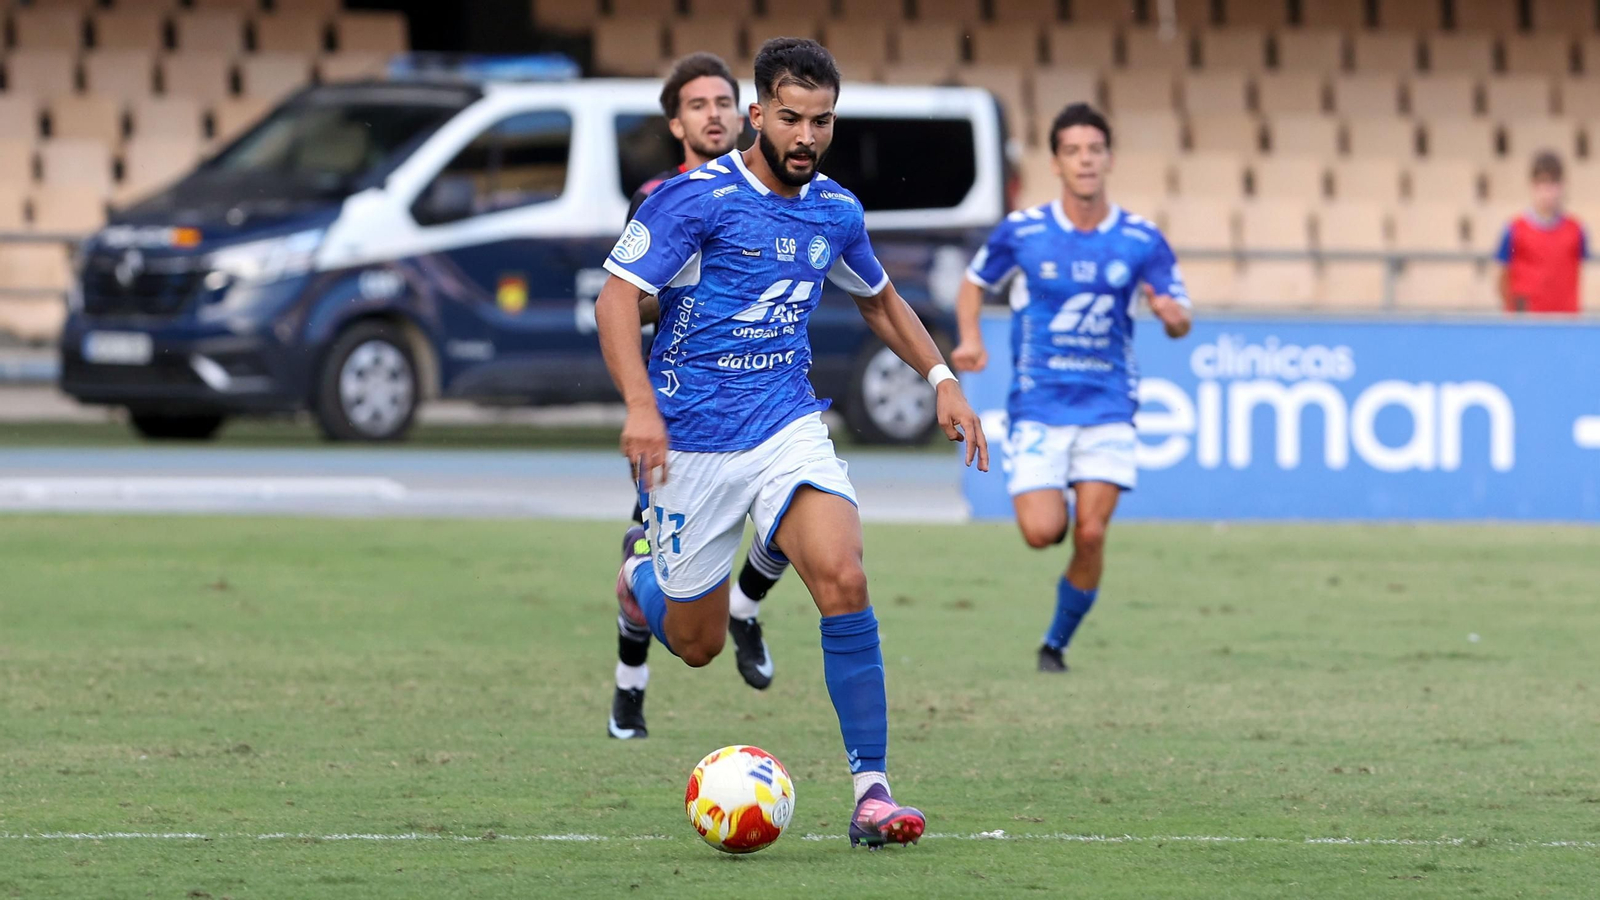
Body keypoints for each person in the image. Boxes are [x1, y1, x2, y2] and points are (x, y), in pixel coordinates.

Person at [597, 37, 988, 848]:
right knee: (698, 646)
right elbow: (615, 299)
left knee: (843, 575)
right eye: (790, 118)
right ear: (756, 116)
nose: (806, 135)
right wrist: (640, 406)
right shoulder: (692, 200)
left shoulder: (836, 211)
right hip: (691, 445)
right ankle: (642, 582)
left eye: (822, 120)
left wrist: (942, 378)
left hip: (784, 426)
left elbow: (879, 300)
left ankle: (872, 794)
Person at [951, 102, 1192, 674]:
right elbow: (973, 281)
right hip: (1038, 406)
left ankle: (1055, 644)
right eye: (1073, 151)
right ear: (1056, 163)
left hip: (1108, 407)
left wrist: (1168, 311)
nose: (1085, 160)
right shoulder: (1025, 232)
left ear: (1108, 158)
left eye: (1094, 150)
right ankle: (1054, 508)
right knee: (1043, 532)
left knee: (1090, 531)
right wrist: (969, 340)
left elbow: (1180, 319)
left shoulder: (1141, 239)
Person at [609, 52, 789, 741]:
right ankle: (629, 692)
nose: (712, 114)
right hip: (682, 411)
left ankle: (744, 606)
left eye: (722, 102)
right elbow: (628, 300)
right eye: (697, 104)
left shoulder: (772, 187)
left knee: (797, 521)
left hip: (767, 399)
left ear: (741, 113)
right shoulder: (659, 196)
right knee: (651, 567)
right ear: (675, 121)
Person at [1497, 150, 1588, 314]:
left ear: (1562, 186)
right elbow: (1502, 277)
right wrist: (1514, 312)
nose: (1547, 191)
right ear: (1532, 185)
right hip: (1527, 324)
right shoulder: (1514, 229)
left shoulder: (1577, 230)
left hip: (1566, 323)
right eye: (1542, 183)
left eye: (1553, 183)